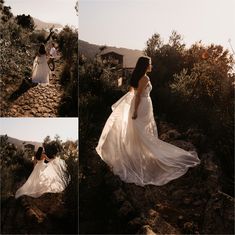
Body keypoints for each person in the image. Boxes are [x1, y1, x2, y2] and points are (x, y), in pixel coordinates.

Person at [96, 56, 200, 186]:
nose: (152, 66)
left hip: (140, 105)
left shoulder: (138, 77)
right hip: (141, 106)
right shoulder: (145, 78)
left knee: (137, 131)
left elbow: (132, 91)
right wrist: (134, 111)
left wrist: (131, 105)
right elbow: (138, 95)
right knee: (142, 132)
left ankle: (136, 154)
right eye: (150, 64)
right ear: (145, 66)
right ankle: (139, 157)